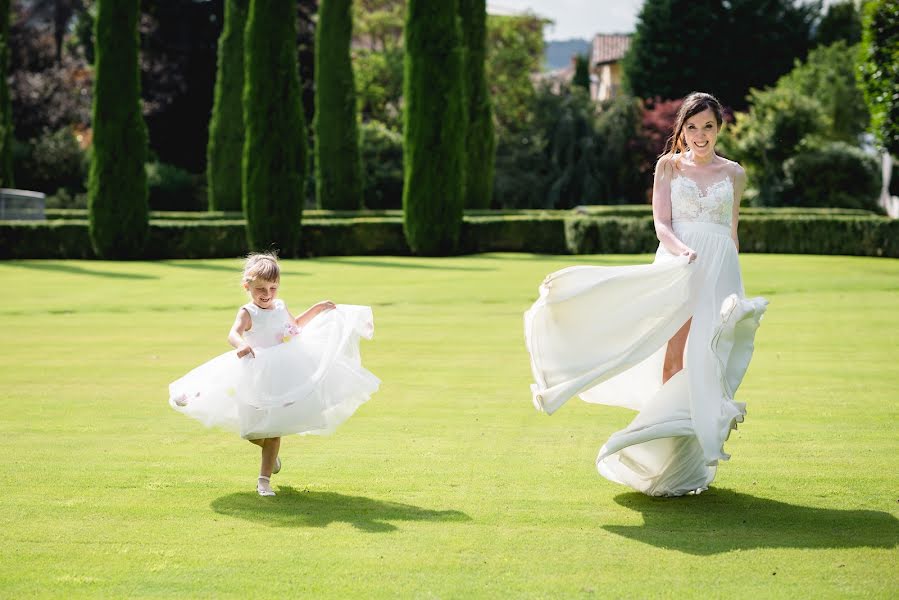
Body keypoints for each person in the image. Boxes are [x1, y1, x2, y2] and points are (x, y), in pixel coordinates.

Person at [524, 92, 768, 497]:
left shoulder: (734, 174)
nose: (700, 135)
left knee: (711, 356)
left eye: (708, 126)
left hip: (721, 270)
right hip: (680, 265)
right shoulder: (668, 167)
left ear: (719, 128)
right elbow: (661, 222)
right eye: (692, 127)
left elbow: (732, 232)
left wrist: (732, 280)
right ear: (682, 130)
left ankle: (690, 454)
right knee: (673, 354)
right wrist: (681, 250)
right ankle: (664, 445)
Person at [169, 252, 380, 496]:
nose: (267, 294)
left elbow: (296, 325)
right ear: (247, 286)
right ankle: (197, 399)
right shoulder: (248, 312)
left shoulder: (280, 307)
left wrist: (318, 308)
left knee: (274, 428)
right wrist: (241, 345)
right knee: (252, 432)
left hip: (282, 373)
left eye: (273, 288)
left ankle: (264, 480)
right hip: (255, 370)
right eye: (260, 288)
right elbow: (233, 334)